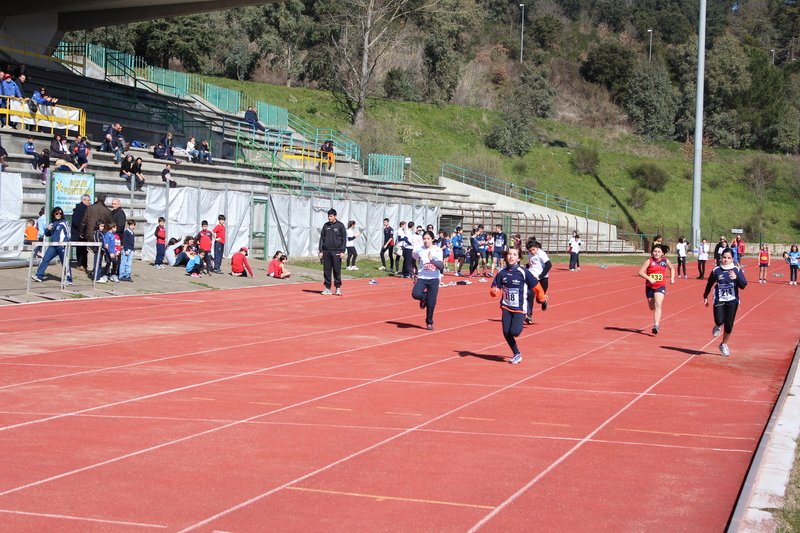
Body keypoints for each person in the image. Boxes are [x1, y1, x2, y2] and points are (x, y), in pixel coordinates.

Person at [489, 245, 548, 364]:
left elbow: (536, 286)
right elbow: (495, 287)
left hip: (520, 306)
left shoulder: (523, 272)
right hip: (506, 305)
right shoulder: (501, 272)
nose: (511, 257)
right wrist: (495, 291)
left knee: (515, 332)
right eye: (509, 254)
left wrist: (542, 298)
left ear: (519, 258)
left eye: (514, 255)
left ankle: (535, 308)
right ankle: (517, 353)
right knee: (506, 332)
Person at [704, 247, 748, 357]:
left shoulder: (736, 270)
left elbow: (743, 286)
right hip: (719, 299)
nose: (726, 260)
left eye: (728, 258)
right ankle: (718, 325)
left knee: (729, 325)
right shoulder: (716, 271)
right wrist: (705, 296)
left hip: (732, 301)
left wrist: (735, 278)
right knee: (719, 319)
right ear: (720, 258)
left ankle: (724, 344)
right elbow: (709, 284)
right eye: (724, 257)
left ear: (733, 259)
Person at [637, 244, 675, 335]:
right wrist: (649, 278)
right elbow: (640, 272)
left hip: (660, 286)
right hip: (650, 287)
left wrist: (672, 278)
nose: (656, 253)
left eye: (658, 252)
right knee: (652, 307)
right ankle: (656, 316)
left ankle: (656, 325)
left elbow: (672, 268)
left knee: (658, 304)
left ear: (662, 253)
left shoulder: (666, 261)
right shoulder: (649, 261)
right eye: (655, 251)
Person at [411, 230, 444, 330]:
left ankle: (429, 322)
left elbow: (441, 266)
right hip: (422, 278)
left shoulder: (438, 250)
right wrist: (413, 272)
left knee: (431, 303)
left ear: (432, 239)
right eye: (424, 238)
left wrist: (432, 260)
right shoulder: (419, 249)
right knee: (415, 294)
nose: (426, 240)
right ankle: (424, 298)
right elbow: (413, 260)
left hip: (434, 279)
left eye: (428, 239)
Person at [31, 207, 72, 284]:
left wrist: (65, 242)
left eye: (60, 213)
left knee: (65, 262)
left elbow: (68, 234)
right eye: (57, 213)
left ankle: (68, 279)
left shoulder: (64, 222)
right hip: (53, 245)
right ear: (54, 214)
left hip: (61, 245)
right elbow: (47, 234)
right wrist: (48, 229)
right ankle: (39, 275)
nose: (58, 215)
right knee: (45, 259)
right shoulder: (52, 223)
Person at [80, 194, 114, 275]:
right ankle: (100, 268)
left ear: (97, 199)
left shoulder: (89, 208)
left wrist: (82, 232)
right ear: (104, 201)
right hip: (102, 234)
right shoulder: (107, 211)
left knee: (90, 250)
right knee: (100, 250)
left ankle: (90, 268)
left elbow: (84, 221)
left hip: (90, 233)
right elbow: (110, 223)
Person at [318, 208, 347, 295]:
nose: (329, 218)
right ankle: (327, 287)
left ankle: (338, 287)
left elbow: (343, 239)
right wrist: (321, 251)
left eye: (331, 216)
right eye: (328, 216)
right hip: (326, 251)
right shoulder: (326, 226)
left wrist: (342, 251)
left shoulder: (340, 226)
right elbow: (322, 239)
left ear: (335, 216)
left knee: (336, 270)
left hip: (336, 251)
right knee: (327, 270)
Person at [525, 238, 552, 324]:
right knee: (530, 295)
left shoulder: (541, 254)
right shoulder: (529, 254)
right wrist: (525, 266)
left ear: (537, 247)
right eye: (530, 250)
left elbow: (549, 265)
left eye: (533, 250)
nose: (532, 252)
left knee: (539, 300)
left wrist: (540, 277)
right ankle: (529, 315)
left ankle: (544, 300)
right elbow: (532, 265)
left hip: (542, 278)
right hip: (532, 277)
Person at [70, 194, 90, 271]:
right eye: (88, 200)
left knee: (84, 249)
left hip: (83, 232)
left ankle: (83, 263)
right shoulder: (79, 209)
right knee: (80, 248)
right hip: (79, 233)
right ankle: (80, 264)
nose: (89, 202)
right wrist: (82, 230)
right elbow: (77, 222)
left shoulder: (86, 209)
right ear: (83, 200)